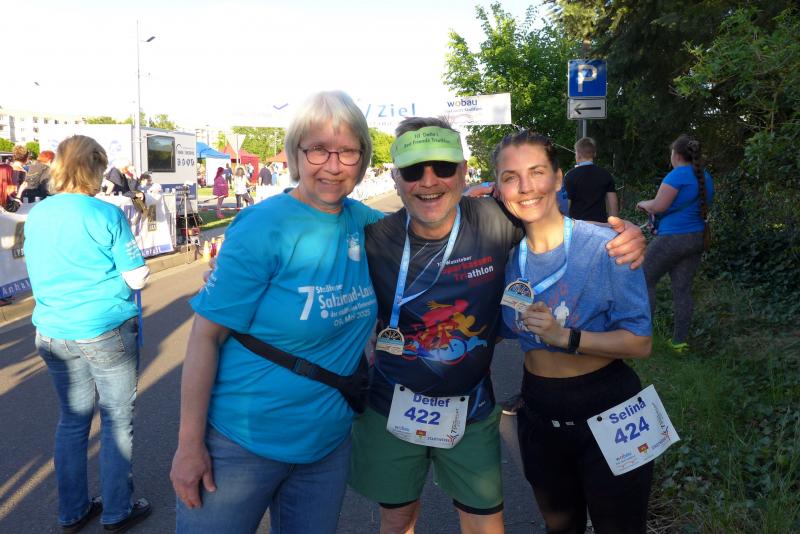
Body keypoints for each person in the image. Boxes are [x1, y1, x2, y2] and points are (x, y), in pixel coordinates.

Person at [350, 117, 646, 534]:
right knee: (399, 519)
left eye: (443, 167)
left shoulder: (495, 221)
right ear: (395, 178)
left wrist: (624, 232)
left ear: (462, 171)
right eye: (413, 171)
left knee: (501, 523)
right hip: (405, 403)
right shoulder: (372, 236)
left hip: (488, 405)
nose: (428, 181)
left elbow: (551, 222)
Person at [170, 90, 383, 534]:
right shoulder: (264, 226)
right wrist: (189, 445)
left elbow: (431, 231)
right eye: (318, 149)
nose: (333, 165)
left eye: (347, 151)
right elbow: (205, 337)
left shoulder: (366, 224)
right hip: (240, 444)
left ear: (362, 158)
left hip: (326, 447)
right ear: (296, 153)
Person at [494, 130, 653, 534]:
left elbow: (640, 342)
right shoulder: (503, 258)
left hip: (611, 408)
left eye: (537, 172)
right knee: (560, 529)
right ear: (498, 187)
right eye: (511, 177)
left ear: (558, 178)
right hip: (540, 412)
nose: (525, 186)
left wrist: (567, 338)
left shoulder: (609, 246)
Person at [23, 135, 152, 533]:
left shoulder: (38, 214)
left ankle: (73, 510)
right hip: (104, 327)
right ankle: (117, 510)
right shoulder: (105, 214)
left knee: (72, 421)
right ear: (94, 167)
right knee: (116, 420)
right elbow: (136, 277)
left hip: (53, 330)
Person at [636, 134, 714, 352]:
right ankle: (679, 342)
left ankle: (641, 337)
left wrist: (643, 203)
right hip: (696, 238)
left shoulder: (677, 175)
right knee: (682, 289)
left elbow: (658, 206)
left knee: (643, 279)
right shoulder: (705, 176)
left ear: (677, 155)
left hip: (672, 238)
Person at [564, 137, 618, 223]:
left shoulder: (570, 176)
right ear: (594, 154)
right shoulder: (606, 174)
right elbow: (613, 204)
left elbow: (566, 205)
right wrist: (614, 224)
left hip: (578, 226)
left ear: (578, 154)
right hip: (600, 225)